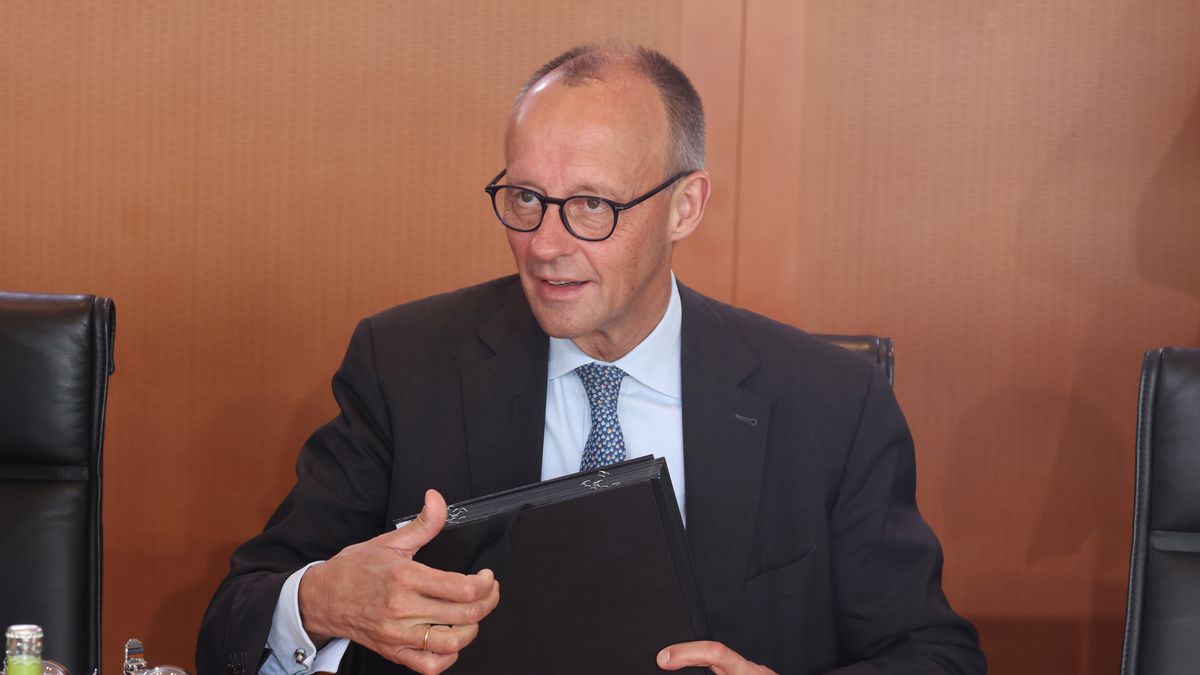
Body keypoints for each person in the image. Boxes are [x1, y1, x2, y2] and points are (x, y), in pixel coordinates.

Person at [198, 44, 985, 675]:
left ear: (686, 206)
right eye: (525, 198)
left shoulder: (829, 402)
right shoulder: (405, 364)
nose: (545, 245)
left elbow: (937, 654)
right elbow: (236, 616)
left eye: (591, 207)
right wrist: (323, 601)